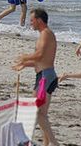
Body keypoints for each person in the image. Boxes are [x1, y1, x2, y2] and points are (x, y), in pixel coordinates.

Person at [13, 8, 58, 145]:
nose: (30, 23)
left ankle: (54, 144)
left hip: (46, 77)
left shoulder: (46, 34)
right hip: (43, 75)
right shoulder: (42, 35)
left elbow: (39, 55)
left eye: (32, 20)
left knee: (38, 113)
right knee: (41, 114)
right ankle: (46, 143)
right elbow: (40, 61)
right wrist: (25, 64)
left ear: (39, 20)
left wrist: (24, 57)